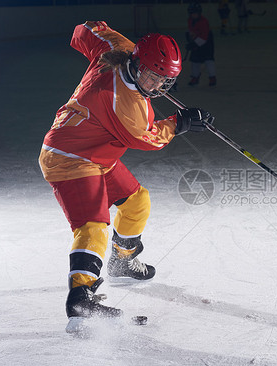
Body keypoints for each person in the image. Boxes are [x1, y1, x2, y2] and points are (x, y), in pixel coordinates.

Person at [38, 21, 213, 330]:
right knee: (93, 226)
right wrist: (179, 123)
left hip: (96, 153)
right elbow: (150, 138)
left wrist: (97, 34)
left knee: (137, 202)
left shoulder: (118, 49)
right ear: (137, 64)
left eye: (165, 80)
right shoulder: (125, 104)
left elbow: (84, 30)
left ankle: (121, 261)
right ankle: (80, 300)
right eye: (153, 77)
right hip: (70, 157)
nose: (158, 85)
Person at [186, 2, 217, 87]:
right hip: (197, 41)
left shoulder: (204, 22)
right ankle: (195, 77)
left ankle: (212, 77)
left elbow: (204, 37)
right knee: (195, 61)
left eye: (195, 13)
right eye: (192, 13)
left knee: (209, 60)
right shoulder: (190, 20)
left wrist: (194, 44)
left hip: (207, 43)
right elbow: (191, 31)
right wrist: (190, 40)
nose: (193, 15)